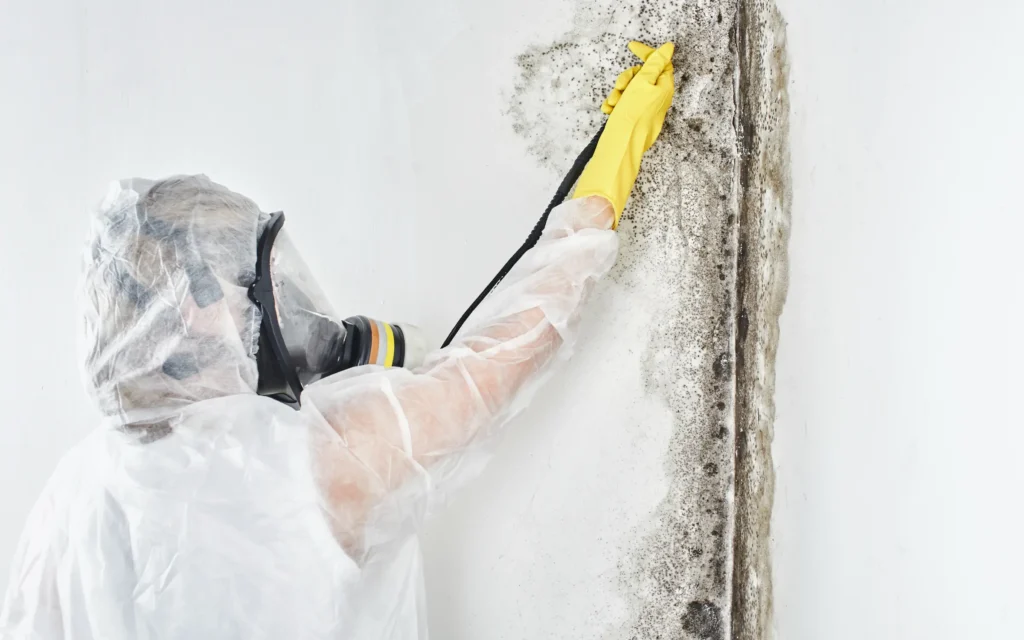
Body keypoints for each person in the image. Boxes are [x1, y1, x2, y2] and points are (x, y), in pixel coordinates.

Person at [0, 41, 675, 639]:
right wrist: (607, 174)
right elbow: (500, 362)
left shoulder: (70, 496)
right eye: (245, 282)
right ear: (190, 310)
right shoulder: (296, 465)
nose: (269, 303)